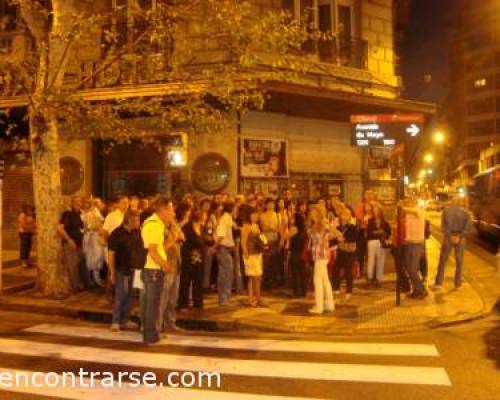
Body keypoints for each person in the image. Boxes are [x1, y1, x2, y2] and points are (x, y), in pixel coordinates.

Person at [141, 197, 176, 345]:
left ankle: (153, 333)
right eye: (171, 209)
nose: (173, 212)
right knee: (152, 304)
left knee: (153, 303)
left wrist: (172, 238)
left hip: (154, 269)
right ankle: (151, 336)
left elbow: (160, 248)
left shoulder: (157, 224)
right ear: (163, 209)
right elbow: (153, 251)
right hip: (154, 270)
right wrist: (165, 265)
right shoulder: (154, 224)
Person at [108, 210, 141, 332]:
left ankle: (125, 320)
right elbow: (111, 254)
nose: (139, 222)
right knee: (120, 294)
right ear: (130, 221)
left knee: (130, 296)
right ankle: (116, 321)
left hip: (133, 269)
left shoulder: (136, 232)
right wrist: (111, 272)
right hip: (120, 269)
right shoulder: (117, 233)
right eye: (137, 220)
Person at [432, 197, 472, 290]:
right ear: (460, 202)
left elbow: (443, 226)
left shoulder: (446, 211)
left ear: (451, 202)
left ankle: (438, 283)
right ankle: (457, 284)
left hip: (448, 237)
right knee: (459, 261)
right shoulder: (466, 212)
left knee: (443, 260)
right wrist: (459, 236)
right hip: (460, 238)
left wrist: (450, 235)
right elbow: (468, 227)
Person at [308, 206, 336, 314]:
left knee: (318, 280)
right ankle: (329, 304)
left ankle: (319, 306)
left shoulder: (323, 224)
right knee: (324, 280)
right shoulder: (315, 225)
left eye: (314, 213)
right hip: (320, 255)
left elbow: (335, 234)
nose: (312, 215)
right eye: (312, 213)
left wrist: (327, 239)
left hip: (321, 255)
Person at [178, 208, 206, 311]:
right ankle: (183, 304)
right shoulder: (187, 228)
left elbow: (206, 239)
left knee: (198, 281)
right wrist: (204, 240)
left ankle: (198, 303)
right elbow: (196, 241)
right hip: (188, 258)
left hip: (199, 258)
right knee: (185, 281)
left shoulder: (202, 227)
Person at [402, 197, 428, 299]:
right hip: (409, 243)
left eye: (408, 202)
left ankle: (421, 290)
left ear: (414, 202)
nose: (407, 204)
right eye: (406, 202)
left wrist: (403, 208)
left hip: (417, 244)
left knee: (413, 269)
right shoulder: (408, 213)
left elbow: (416, 211)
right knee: (408, 268)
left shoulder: (420, 210)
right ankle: (416, 290)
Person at [58, 196, 84, 292]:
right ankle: (74, 287)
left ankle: (78, 285)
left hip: (79, 244)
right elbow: (60, 229)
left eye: (80, 202)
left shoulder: (80, 214)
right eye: (76, 202)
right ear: (72, 203)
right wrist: (69, 240)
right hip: (70, 244)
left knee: (78, 265)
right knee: (72, 266)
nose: (78, 204)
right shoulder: (68, 214)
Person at [241, 206, 265, 307]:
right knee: (255, 277)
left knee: (254, 277)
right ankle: (257, 298)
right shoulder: (246, 227)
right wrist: (246, 254)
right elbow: (243, 242)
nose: (256, 216)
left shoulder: (256, 225)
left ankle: (252, 298)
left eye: (256, 214)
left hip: (257, 253)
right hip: (250, 254)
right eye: (253, 214)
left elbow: (261, 238)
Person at [332, 209, 359, 300]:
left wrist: (342, 237)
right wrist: (336, 236)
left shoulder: (352, 227)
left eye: (347, 215)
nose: (345, 216)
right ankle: (336, 288)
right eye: (343, 214)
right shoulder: (339, 227)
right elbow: (335, 238)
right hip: (341, 250)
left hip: (349, 251)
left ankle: (349, 291)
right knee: (335, 268)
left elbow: (353, 238)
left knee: (348, 271)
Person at [215, 201, 235, 306]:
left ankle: (225, 298)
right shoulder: (225, 219)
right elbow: (221, 235)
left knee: (226, 274)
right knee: (225, 275)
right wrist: (215, 247)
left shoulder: (228, 218)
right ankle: (224, 299)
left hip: (226, 249)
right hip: (223, 249)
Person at [366, 205, 391, 287]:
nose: (375, 212)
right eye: (374, 210)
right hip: (372, 242)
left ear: (380, 211)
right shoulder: (370, 221)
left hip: (381, 242)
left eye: (377, 210)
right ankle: (369, 278)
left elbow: (388, 233)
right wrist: (380, 232)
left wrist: (378, 232)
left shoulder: (385, 222)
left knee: (380, 261)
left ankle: (379, 279)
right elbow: (369, 232)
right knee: (371, 261)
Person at [82, 198, 105, 287]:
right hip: (90, 238)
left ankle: (96, 279)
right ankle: (91, 280)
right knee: (90, 258)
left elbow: (100, 224)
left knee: (97, 258)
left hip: (96, 238)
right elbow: (86, 228)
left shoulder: (96, 212)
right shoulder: (86, 214)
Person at [260, 198, 280, 288]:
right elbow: (263, 228)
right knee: (265, 262)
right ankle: (265, 282)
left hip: (275, 240)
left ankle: (274, 282)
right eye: (269, 204)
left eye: (272, 204)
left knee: (274, 262)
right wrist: (270, 228)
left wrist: (271, 228)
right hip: (266, 240)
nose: (271, 206)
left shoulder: (277, 215)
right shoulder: (262, 215)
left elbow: (279, 229)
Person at [288, 211, 308, 298]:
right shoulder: (304, 229)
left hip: (295, 253)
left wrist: (284, 226)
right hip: (302, 253)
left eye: (292, 218)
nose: (291, 219)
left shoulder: (294, 228)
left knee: (295, 273)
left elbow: (285, 236)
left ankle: (296, 292)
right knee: (302, 272)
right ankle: (303, 291)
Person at [17, 203, 35, 268]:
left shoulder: (31, 215)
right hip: (23, 233)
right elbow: (23, 225)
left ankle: (27, 260)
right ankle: (23, 261)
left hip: (29, 233)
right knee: (24, 247)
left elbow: (33, 223)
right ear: (26, 210)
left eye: (32, 210)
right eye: (30, 210)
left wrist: (33, 229)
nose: (31, 211)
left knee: (28, 247)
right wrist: (31, 230)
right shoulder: (22, 215)